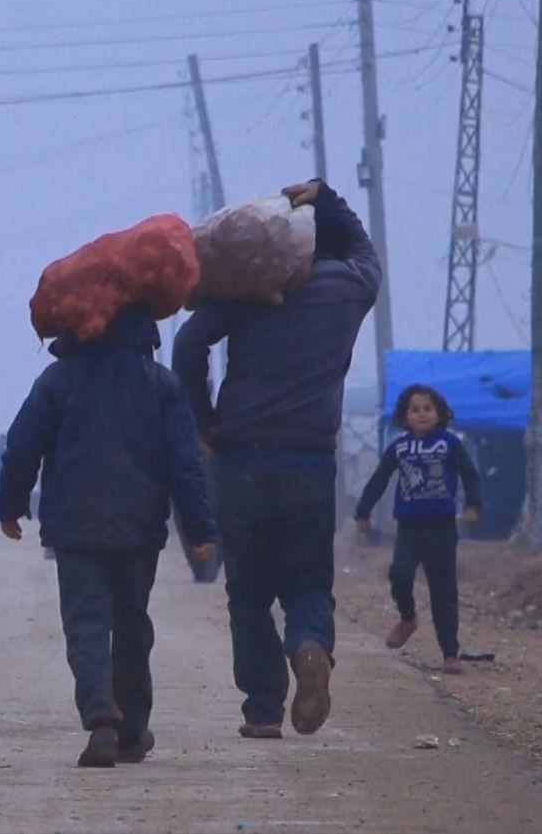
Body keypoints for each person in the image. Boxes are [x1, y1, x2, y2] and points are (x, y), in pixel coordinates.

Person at [173, 179, 381, 739]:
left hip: (239, 458)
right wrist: (326, 197)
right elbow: (365, 251)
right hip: (310, 462)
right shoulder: (350, 287)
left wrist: (202, 418)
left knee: (248, 589)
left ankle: (263, 709)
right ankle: (310, 645)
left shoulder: (250, 290)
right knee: (309, 580)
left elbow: (188, 347)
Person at [0, 303, 215, 768]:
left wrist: (11, 505)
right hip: (138, 527)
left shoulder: (59, 380)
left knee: (87, 621)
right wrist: (199, 528)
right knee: (132, 621)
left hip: (76, 526)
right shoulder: (161, 384)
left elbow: (21, 445)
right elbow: (186, 463)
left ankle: (100, 715)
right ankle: (133, 732)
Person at [354, 384, 482, 675]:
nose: (422, 415)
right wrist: (363, 511)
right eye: (415, 410)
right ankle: (408, 618)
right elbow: (379, 479)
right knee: (400, 572)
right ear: (404, 416)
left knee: (443, 591)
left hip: (442, 527)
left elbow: (470, 474)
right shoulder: (399, 447)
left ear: (439, 414)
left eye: (428, 409)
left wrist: (474, 505)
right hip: (409, 527)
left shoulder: (449, 444)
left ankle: (450, 652)